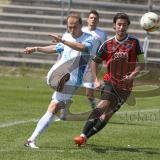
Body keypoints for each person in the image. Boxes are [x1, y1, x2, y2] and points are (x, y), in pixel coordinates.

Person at [23, 13, 95, 149]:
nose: (71, 30)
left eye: (74, 27)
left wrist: (63, 40)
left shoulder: (89, 38)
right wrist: (36, 48)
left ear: (81, 25)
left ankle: (31, 139)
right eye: (69, 27)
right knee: (57, 77)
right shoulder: (66, 36)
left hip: (74, 80)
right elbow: (55, 48)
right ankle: (31, 139)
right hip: (61, 73)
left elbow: (82, 48)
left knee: (53, 107)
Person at [73, 12, 145, 146]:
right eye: (119, 24)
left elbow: (141, 63)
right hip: (110, 81)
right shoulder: (108, 44)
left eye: (124, 25)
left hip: (126, 87)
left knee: (107, 115)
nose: (121, 27)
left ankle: (85, 138)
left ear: (128, 26)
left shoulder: (135, 43)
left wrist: (132, 75)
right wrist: (95, 79)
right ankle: (82, 135)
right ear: (114, 26)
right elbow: (95, 62)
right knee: (102, 106)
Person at [82, 10, 107, 109]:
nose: (93, 20)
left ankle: (94, 108)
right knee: (68, 88)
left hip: (91, 64)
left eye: (95, 18)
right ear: (87, 19)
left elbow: (104, 50)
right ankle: (63, 113)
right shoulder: (81, 30)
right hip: (78, 63)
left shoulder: (101, 34)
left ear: (98, 21)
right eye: (91, 18)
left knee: (89, 93)